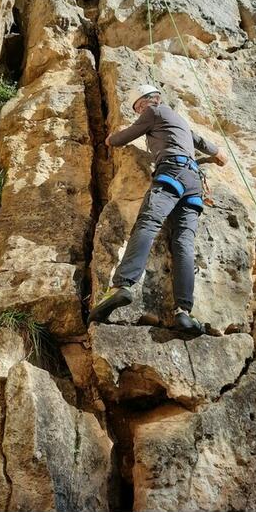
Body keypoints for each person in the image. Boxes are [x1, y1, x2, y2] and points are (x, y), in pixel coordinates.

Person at [87, 83, 228, 335]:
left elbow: (124, 136)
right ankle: (183, 311)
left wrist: (110, 139)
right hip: (194, 183)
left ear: (149, 101)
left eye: (139, 106)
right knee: (183, 242)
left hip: (171, 172)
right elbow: (201, 141)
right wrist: (218, 154)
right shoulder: (179, 121)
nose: (140, 111)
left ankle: (121, 285)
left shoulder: (153, 112)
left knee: (148, 223)